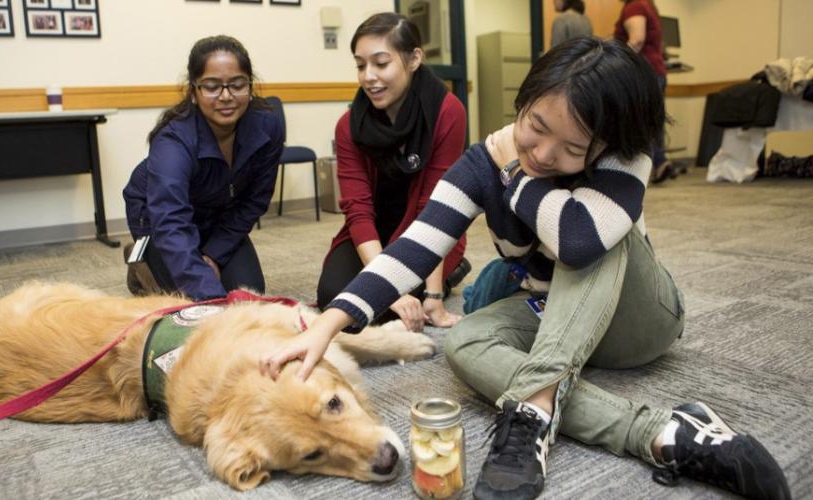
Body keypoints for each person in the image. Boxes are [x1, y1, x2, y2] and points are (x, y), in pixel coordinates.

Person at [260, 37, 790, 500]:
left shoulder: (623, 155)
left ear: (603, 144)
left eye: (573, 148)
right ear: (526, 98)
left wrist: (517, 179)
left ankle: (532, 409)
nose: (543, 152)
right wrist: (328, 325)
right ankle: (662, 432)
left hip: (637, 318)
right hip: (553, 314)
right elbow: (417, 246)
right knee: (466, 341)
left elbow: (579, 242)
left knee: (590, 239)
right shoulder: (480, 161)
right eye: (535, 126)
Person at [315, 12, 470, 332]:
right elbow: (357, 211)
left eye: (381, 63)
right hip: (371, 233)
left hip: (425, 234)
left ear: (414, 59)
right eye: (360, 65)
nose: (368, 76)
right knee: (334, 298)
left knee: (390, 305)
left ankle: (448, 273)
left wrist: (434, 296)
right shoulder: (349, 126)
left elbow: (437, 210)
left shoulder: (447, 111)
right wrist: (386, 286)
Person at [122, 35, 283, 301]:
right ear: (194, 91)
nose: (226, 96)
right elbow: (171, 221)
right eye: (211, 86)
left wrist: (214, 255)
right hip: (159, 218)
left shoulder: (267, 126)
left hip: (217, 215)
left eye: (237, 84)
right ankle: (142, 264)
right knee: (193, 303)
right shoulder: (173, 140)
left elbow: (254, 201)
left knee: (249, 296)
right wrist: (212, 299)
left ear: (250, 85)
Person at [615, 0, 673, 184]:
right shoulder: (648, 4)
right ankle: (660, 162)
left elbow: (637, 39)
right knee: (653, 122)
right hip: (655, 70)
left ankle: (642, 170)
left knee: (640, 123)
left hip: (642, 73)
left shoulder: (635, 6)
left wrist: (614, 63)